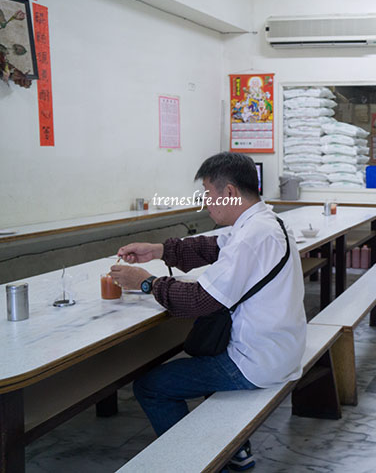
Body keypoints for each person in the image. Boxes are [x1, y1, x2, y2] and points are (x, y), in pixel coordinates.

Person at [109, 152, 306, 472]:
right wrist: (158, 250)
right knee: (196, 360)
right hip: (280, 346)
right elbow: (210, 247)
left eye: (208, 194)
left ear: (229, 192)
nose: (206, 203)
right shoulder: (264, 222)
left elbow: (200, 301)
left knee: (150, 387)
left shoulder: (253, 236)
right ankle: (234, 449)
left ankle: (193, 461)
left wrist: (146, 284)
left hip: (256, 361)